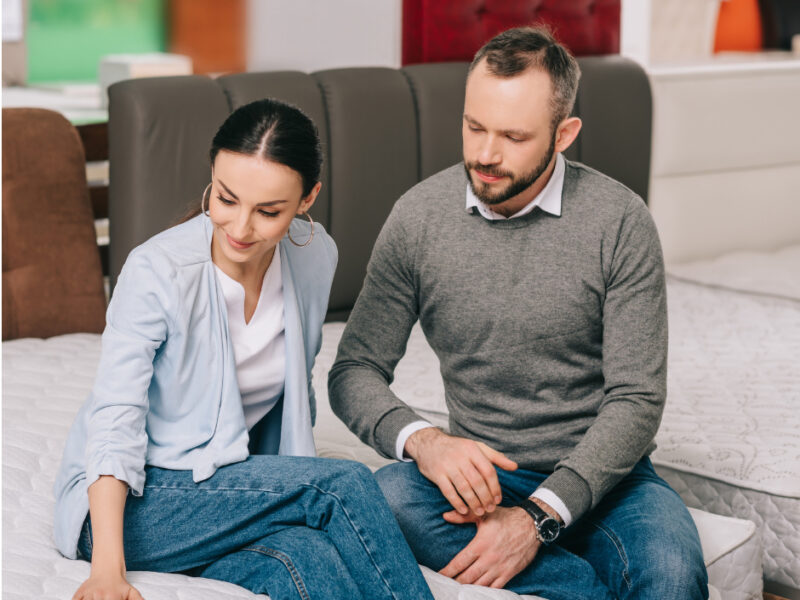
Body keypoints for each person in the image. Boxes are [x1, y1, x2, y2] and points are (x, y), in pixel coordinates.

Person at [328, 27, 709, 600]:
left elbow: (637, 400)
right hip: (483, 481)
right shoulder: (417, 219)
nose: (484, 154)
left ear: (564, 135)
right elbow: (353, 369)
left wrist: (537, 520)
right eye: (474, 127)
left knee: (672, 575)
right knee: (381, 500)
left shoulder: (621, 222)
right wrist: (429, 444)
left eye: (513, 136)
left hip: (608, 481)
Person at [53, 98, 434, 600]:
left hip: (225, 494)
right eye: (226, 198)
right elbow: (113, 421)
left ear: (307, 198)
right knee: (343, 484)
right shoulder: (157, 270)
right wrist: (107, 571)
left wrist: (278, 485)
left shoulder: (316, 255)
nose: (239, 227)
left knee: (305, 558)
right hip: (128, 504)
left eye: (268, 211)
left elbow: (295, 390)